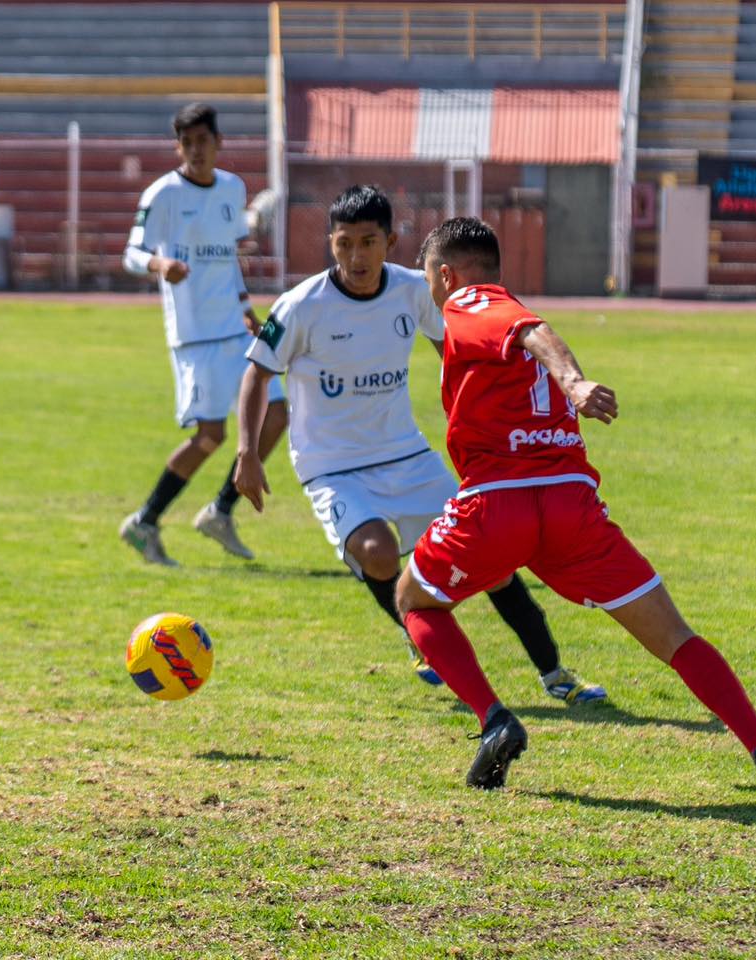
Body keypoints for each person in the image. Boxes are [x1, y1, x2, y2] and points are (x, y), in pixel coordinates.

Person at [396, 216, 756, 788]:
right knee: (675, 638)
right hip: (572, 509)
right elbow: (524, 332)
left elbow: (529, 329)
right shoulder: (498, 318)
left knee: (415, 599)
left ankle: (494, 719)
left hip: (497, 507)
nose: (434, 296)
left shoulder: (471, 301)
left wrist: (573, 381)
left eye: (430, 283)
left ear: (446, 275)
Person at [235, 185, 606, 702]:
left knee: (493, 561)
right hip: (332, 465)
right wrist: (247, 454)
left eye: (368, 242)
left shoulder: (414, 291)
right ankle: (416, 633)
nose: (355, 256)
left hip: (406, 456)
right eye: (344, 243)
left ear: (390, 241)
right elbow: (257, 373)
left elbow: (454, 349)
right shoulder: (301, 305)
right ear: (331, 243)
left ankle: (555, 674)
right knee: (378, 553)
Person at [119, 103, 288, 567]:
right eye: (187, 142)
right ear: (179, 147)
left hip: (233, 329)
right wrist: (159, 264)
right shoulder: (163, 194)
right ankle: (145, 521)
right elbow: (131, 253)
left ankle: (220, 511)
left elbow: (227, 257)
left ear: (218, 143)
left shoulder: (232, 188)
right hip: (194, 337)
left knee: (276, 413)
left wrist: (244, 307)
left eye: (203, 140)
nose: (196, 150)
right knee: (210, 436)